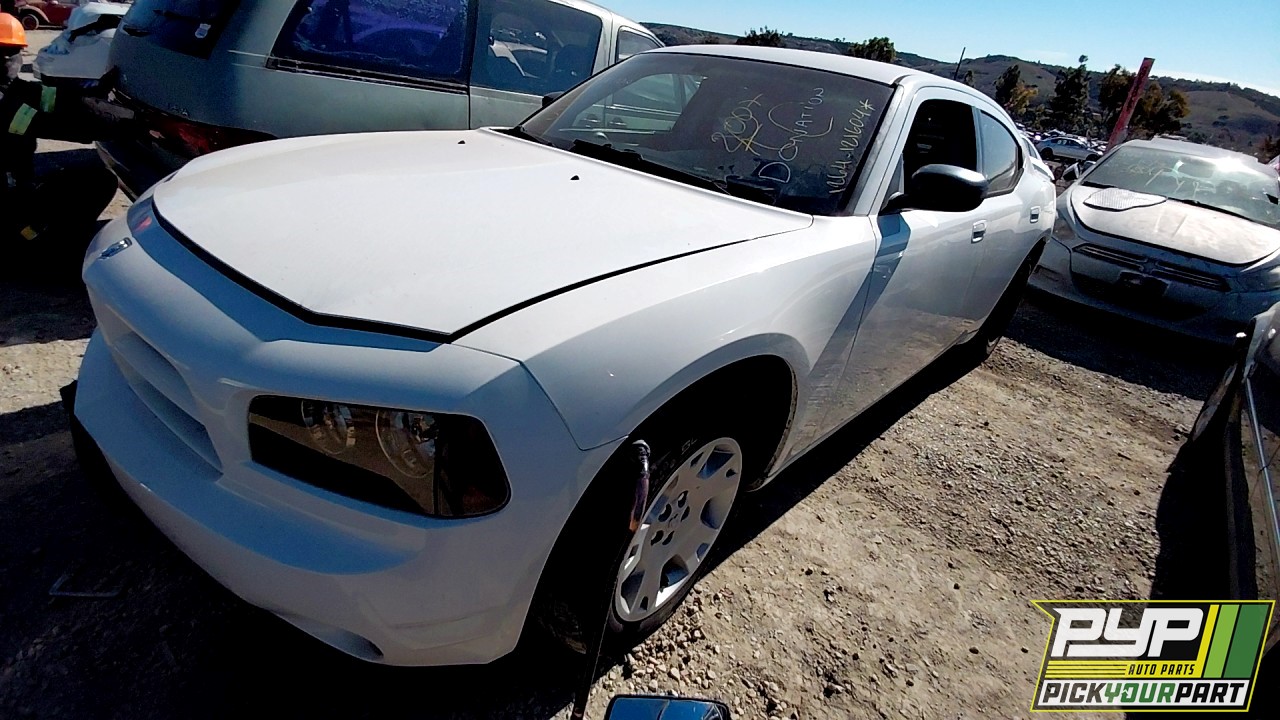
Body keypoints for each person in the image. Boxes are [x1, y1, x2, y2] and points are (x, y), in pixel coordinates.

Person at [1, 12, 118, 268]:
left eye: (13, 52)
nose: (8, 60)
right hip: (8, 208)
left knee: (93, 179)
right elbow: (56, 125)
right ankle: (31, 251)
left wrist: (96, 92)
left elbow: (53, 98)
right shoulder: (5, 106)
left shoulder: (12, 90)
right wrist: (119, 126)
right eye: (2, 53)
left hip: (16, 192)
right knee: (97, 183)